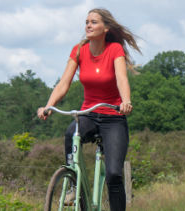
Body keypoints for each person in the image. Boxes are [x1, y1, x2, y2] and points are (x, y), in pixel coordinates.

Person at [37, 8, 141, 211]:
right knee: (70, 133)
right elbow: (63, 83)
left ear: (106, 28)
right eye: (86, 22)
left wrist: (125, 101)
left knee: (114, 174)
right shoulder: (79, 50)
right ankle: (74, 186)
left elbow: (121, 79)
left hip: (113, 116)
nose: (88, 26)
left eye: (93, 22)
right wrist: (49, 105)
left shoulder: (114, 50)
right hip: (89, 114)